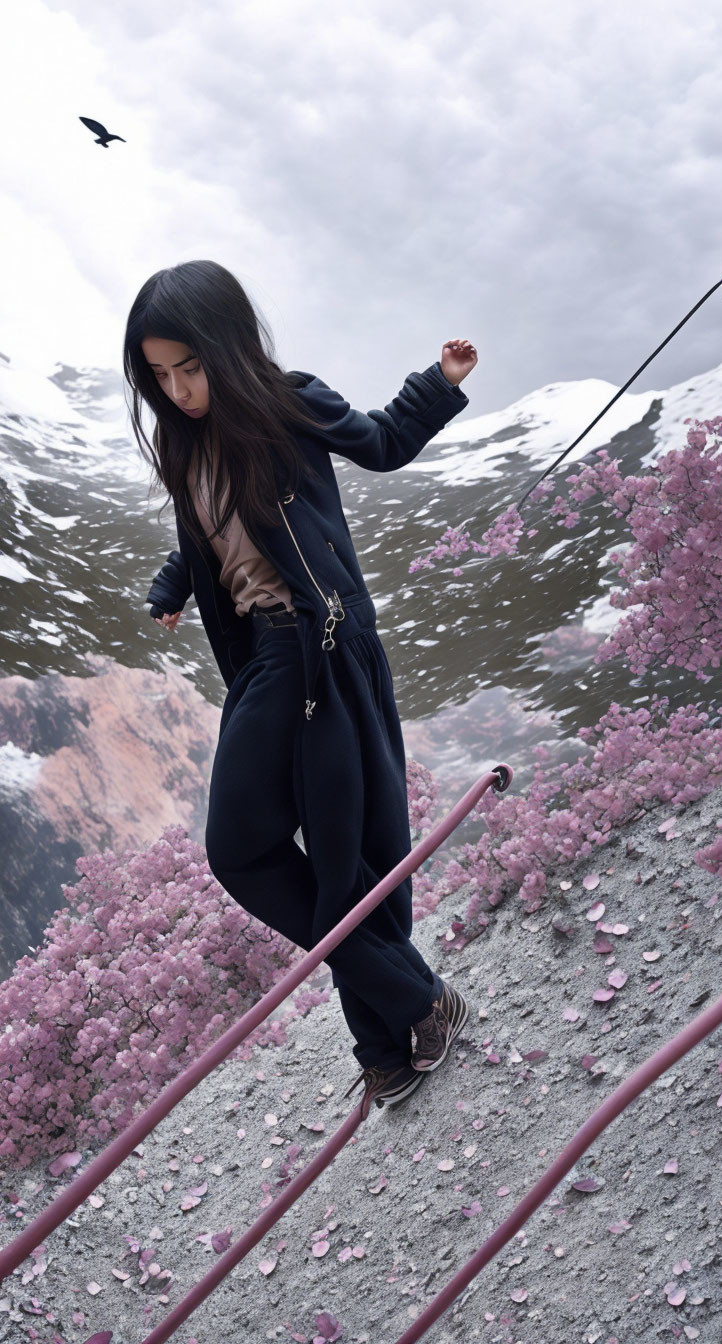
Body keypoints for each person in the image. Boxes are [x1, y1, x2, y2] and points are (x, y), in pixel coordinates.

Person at [127, 259, 476, 1111]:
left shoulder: (287, 401)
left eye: (189, 366)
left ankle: (403, 1018)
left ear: (225, 346)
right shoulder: (189, 450)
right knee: (320, 854)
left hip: (321, 648)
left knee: (261, 849)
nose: (177, 390)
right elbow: (213, 537)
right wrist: (174, 587)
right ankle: (398, 1029)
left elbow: (382, 443)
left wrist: (438, 383)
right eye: (160, 375)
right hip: (269, 661)